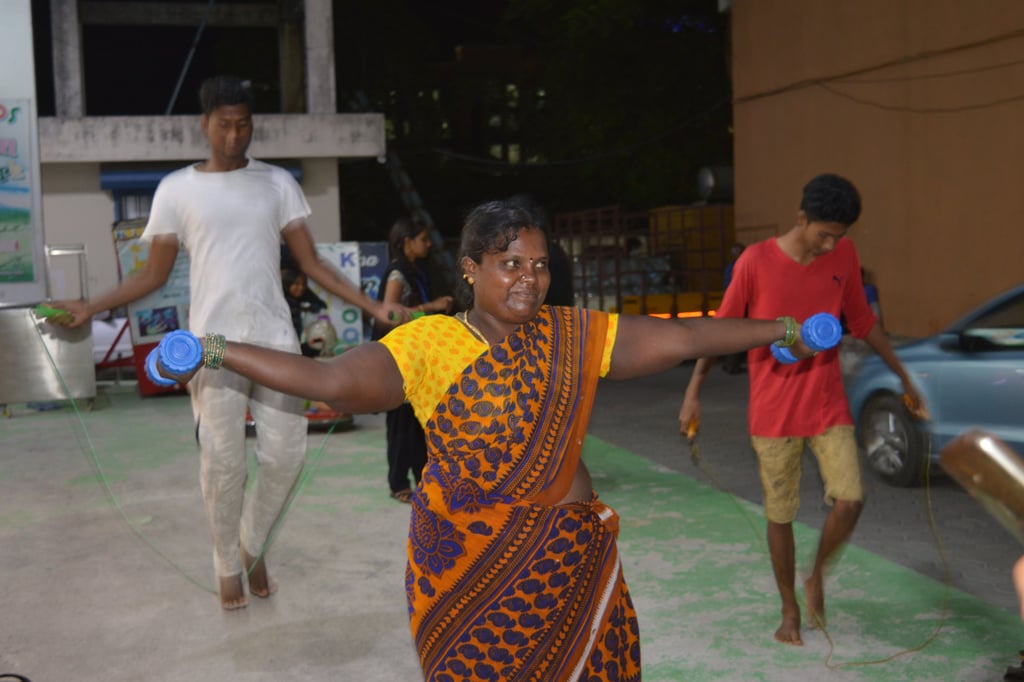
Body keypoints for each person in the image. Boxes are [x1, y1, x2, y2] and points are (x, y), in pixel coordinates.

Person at [155, 197, 818, 678]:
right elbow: (329, 380)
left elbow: (685, 336)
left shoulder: (569, 333)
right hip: (471, 573)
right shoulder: (431, 343)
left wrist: (783, 331)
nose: (530, 279)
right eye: (510, 263)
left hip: (570, 562)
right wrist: (213, 349)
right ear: (471, 268)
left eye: (539, 265)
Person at [53, 74, 406, 610]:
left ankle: (253, 544)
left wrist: (373, 306)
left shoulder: (277, 184)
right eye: (224, 125)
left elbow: (311, 263)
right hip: (210, 347)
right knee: (223, 465)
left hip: (275, 342)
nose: (235, 135)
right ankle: (226, 564)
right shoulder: (176, 190)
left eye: (244, 125)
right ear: (205, 125)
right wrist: (90, 306)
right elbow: (151, 276)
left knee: (285, 457)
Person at [678, 173, 928, 646]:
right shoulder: (755, 262)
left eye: (839, 236)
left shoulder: (844, 255)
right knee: (780, 516)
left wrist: (904, 376)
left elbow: (862, 320)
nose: (830, 245)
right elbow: (718, 330)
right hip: (773, 413)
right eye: (823, 235)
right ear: (801, 219)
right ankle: (789, 606)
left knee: (850, 499)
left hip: (827, 403)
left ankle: (815, 579)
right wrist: (693, 392)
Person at [370, 217, 454, 503]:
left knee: (419, 423)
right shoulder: (398, 274)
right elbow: (391, 313)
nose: (428, 245)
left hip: (416, 358)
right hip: (399, 359)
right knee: (401, 425)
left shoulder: (416, 271)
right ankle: (398, 483)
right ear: (407, 243)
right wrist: (431, 307)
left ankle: (422, 479)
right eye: (423, 239)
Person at [281, 268, 327, 358]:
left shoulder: (299, 298)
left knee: (319, 343)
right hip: (283, 347)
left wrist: (305, 309)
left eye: (304, 284)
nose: (301, 287)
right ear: (287, 284)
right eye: (296, 284)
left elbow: (321, 304)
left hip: (296, 345)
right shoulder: (281, 300)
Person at [721, 242, 747, 374]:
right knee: (740, 336)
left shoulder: (732, 266)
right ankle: (732, 365)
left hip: (735, 304)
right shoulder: (738, 266)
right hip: (739, 304)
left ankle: (729, 364)